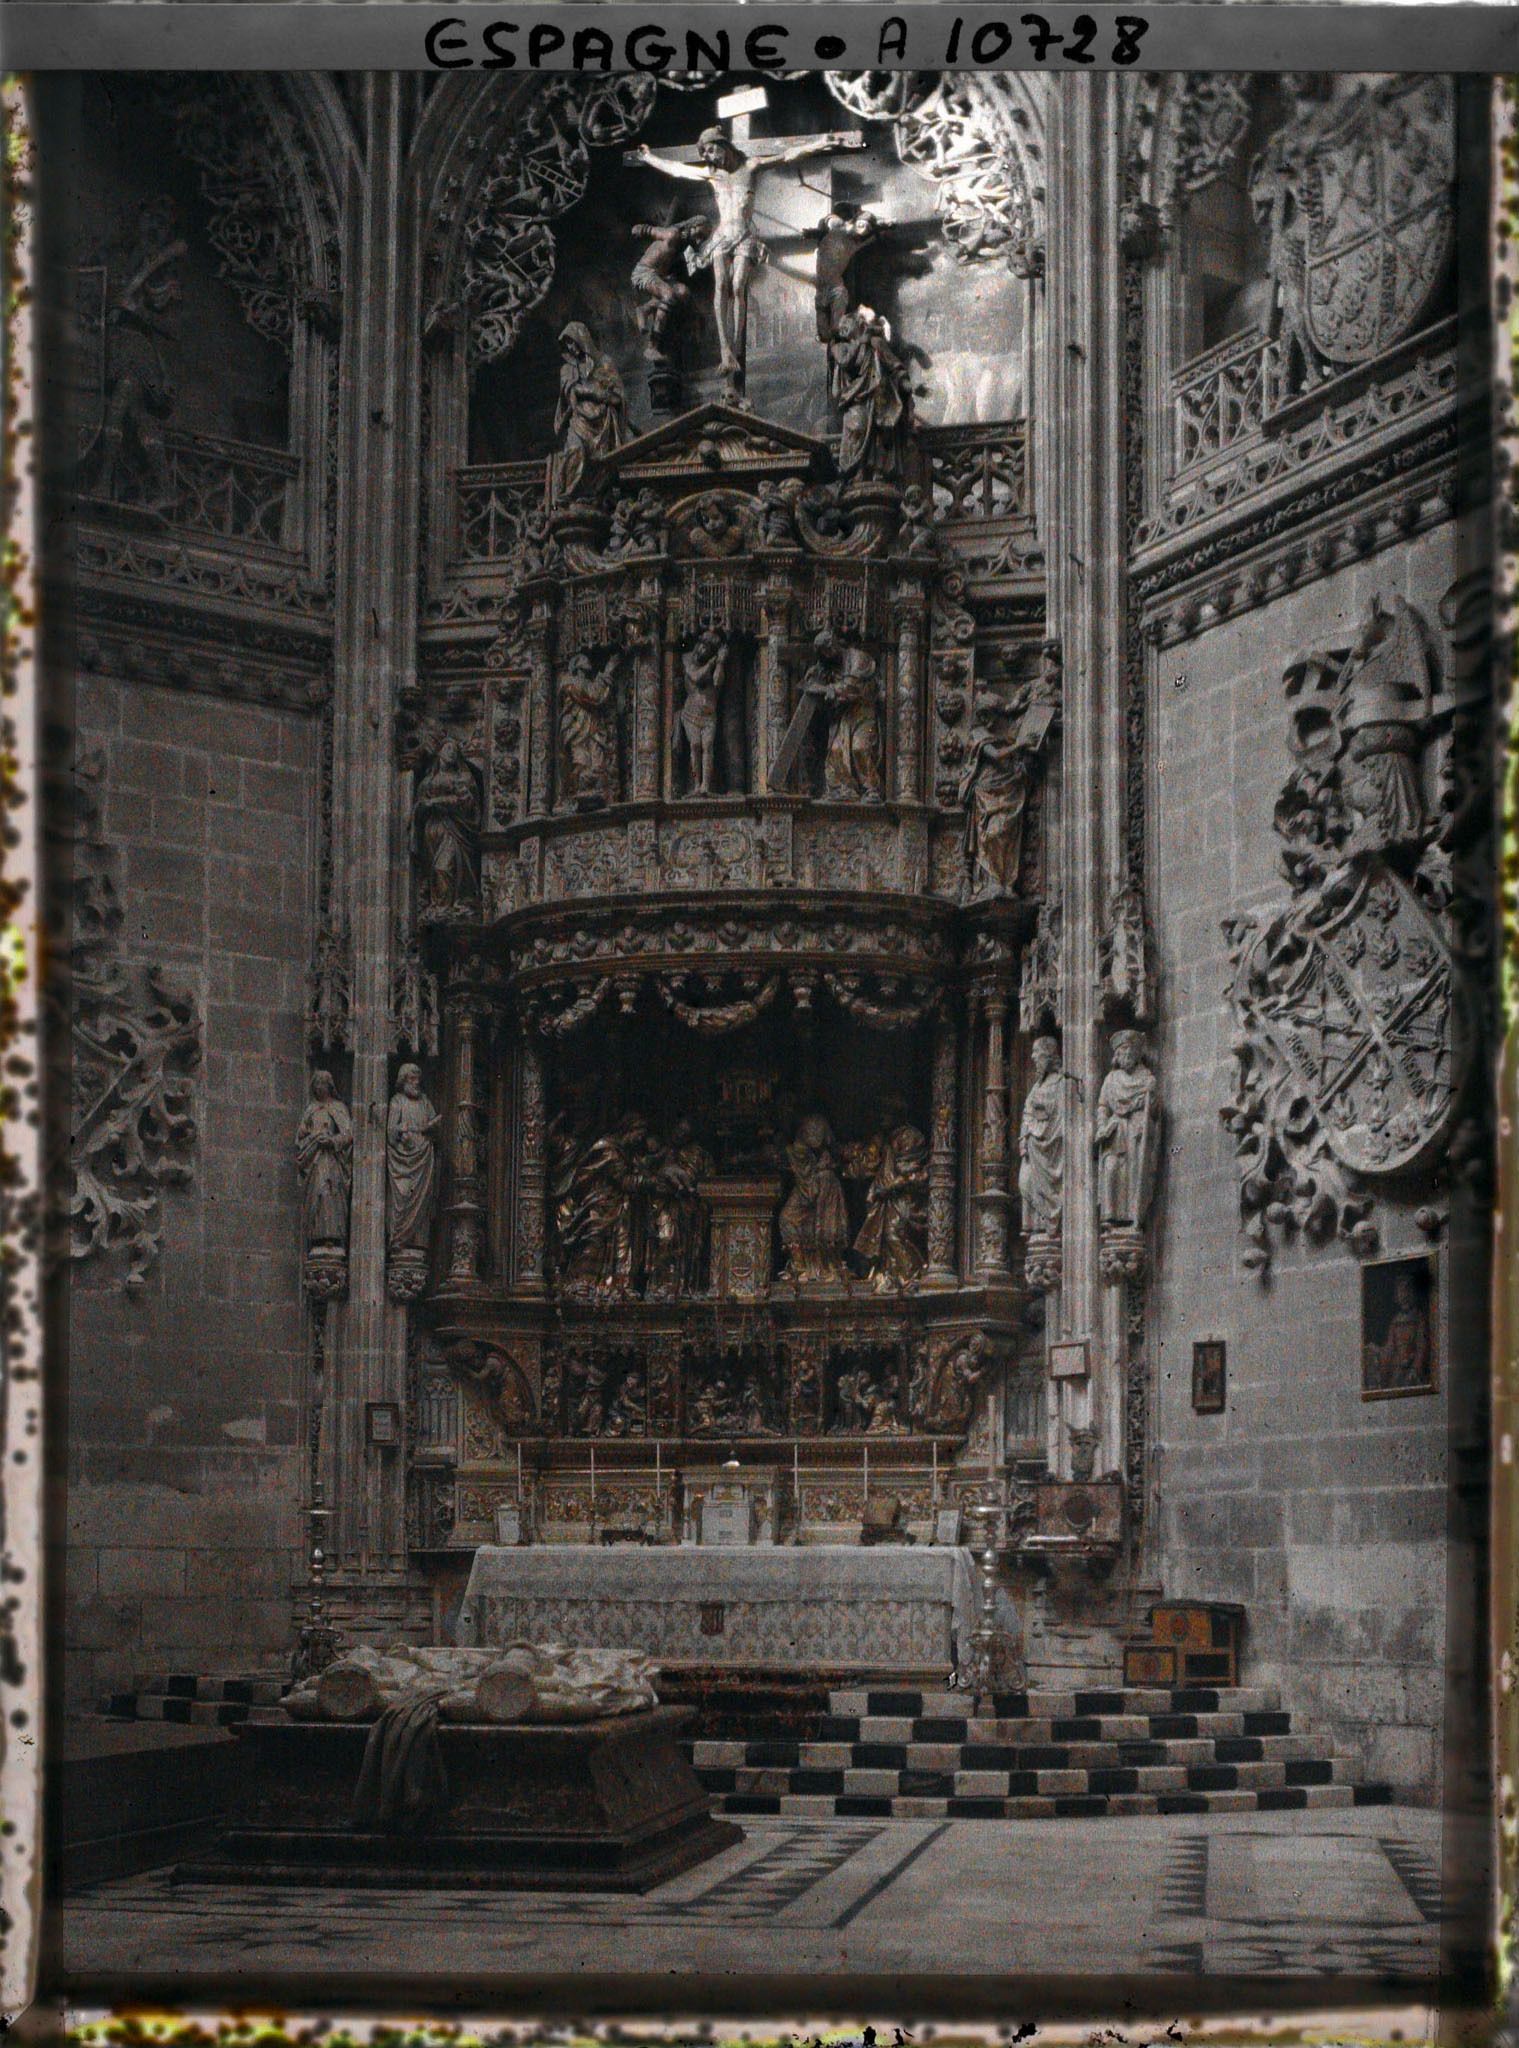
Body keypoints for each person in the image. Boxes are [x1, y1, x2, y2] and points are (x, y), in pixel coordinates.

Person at [633, 125, 865, 394]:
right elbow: (678, 170)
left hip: (743, 237)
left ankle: (736, 350)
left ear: (723, 145)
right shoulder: (712, 175)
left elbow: (788, 156)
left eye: (710, 150)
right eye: (704, 153)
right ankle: (725, 351)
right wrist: (649, 157)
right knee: (721, 287)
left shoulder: (750, 167)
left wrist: (819, 143)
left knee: (737, 287)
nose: (708, 157)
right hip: (722, 237)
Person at [551, 321, 629, 501]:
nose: (571, 347)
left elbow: (619, 396)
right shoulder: (567, 369)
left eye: (573, 341)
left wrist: (611, 398)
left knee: (601, 459)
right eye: (567, 344)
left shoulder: (605, 363)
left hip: (602, 423)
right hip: (578, 421)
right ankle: (564, 497)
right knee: (575, 450)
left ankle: (593, 496)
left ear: (583, 338)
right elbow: (571, 391)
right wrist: (595, 392)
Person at [778, 1114, 850, 1283]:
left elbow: (817, 1144)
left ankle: (828, 1268)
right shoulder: (792, 1144)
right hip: (807, 1185)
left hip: (823, 1183)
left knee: (825, 1229)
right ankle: (800, 1266)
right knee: (787, 1218)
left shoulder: (814, 1123)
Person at [412, 739, 481, 913]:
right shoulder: (428, 780)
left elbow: (467, 803)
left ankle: (447, 906)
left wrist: (437, 802)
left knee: (443, 867)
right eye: (448, 748)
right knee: (433, 869)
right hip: (433, 829)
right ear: (439, 752)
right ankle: (437, 904)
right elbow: (419, 804)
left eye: (455, 749)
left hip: (455, 828)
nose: (452, 752)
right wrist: (422, 807)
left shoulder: (462, 778)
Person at [386, 1063, 441, 1258]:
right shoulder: (397, 1102)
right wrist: (402, 1134)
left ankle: (417, 1244)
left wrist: (431, 1128)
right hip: (404, 1161)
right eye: (411, 1079)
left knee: (422, 1201)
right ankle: (400, 1241)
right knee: (404, 1196)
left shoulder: (425, 1102)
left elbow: (436, 1126)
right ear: (403, 1081)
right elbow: (391, 1132)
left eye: (418, 1079)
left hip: (423, 1160)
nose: (416, 1083)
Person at [296, 1070, 353, 1256]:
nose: (319, 1088)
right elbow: (300, 1138)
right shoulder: (311, 1109)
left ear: (330, 1086)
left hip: (331, 1160)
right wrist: (312, 1138)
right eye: (316, 1084)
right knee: (318, 1194)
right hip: (315, 1160)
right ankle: (317, 1236)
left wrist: (332, 1141)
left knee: (330, 1194)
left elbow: (348, 1135)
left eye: (322, 1084)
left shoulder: (338, 1107)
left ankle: (331, 1237)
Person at [557, 650, 619, 809]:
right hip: (577, 728)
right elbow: (592, 697)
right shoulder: (569, 682)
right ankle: (568, 794)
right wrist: (607, 671)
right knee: (580, 763)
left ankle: (595, 790)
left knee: (597, 763)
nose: (588, 661)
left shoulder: (588, 683)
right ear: (577, 665)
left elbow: (596, 695)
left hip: (593, 727)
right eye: (584, 659)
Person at [679, 629, 728, 795]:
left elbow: (717, 682)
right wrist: (712, 663)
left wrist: (720, 662)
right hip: (691, 713)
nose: (702, 651)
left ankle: (705, 785)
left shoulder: (714, 665)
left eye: (707, 650)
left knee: (708, 746)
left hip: (708, 715)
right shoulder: (687, 659)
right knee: (695, 745)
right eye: (701, 646)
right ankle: (695, 784)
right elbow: (696, 677)